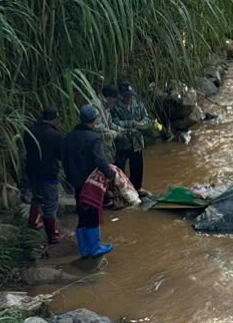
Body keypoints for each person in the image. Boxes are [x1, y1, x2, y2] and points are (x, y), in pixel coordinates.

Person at [63, 104, 115, 257]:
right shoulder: (94, 138)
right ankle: (95, 248)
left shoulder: (69, 136)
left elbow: (64, 159)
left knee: (82, 212)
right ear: (94, 120)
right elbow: (99, 159)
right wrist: (109, 173)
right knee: (92, 211)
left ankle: (84, 249)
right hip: (90, 182)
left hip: (76, 181)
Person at [23, 107, 66, 244]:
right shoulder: (55, 135)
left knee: (37, 197)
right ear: (54, 119)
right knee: (51, 204)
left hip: (31, 170)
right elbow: (61, 155)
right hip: (48, 172)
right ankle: (53, 235)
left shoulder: (29, 131)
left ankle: (32, 222)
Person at [110, 82, 150, 191]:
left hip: (136, 142)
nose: (128, 98)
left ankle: (136, 189)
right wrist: (130, 124)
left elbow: (146, 118)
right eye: (126, 96)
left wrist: (142, 124)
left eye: (130, 95)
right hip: (122, 143)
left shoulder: (138, 104)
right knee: (119, 170)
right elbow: (113, 123)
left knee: (137, 168)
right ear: (120, 95)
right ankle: (119, 191)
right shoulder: (114, 107)